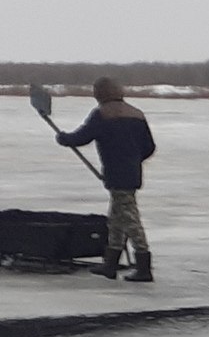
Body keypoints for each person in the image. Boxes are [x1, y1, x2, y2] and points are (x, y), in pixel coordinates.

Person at [56, 78, 159, 280]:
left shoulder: (102, 114)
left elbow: (82, 137)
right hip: (132, 172)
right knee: (117, 219)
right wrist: (133, 160)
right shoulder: (137, 114)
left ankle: (143, 266)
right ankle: (110, 264)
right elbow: (149, 146)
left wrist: (64, 138)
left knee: (130, 219)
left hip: (116, 173)